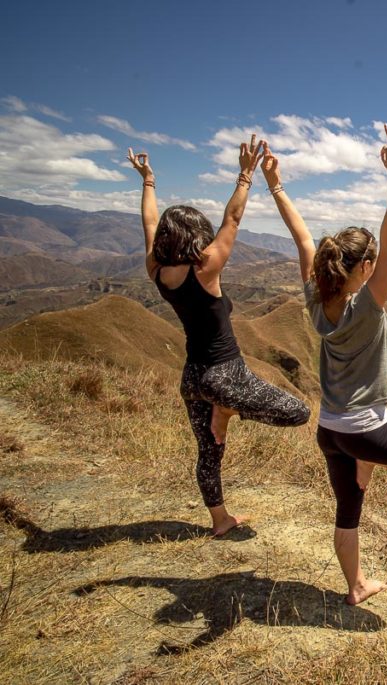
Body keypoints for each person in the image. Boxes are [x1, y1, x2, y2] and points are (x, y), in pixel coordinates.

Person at [261, 123, 387, 605]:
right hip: (362, 429)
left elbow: (301, 237)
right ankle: (377, 457)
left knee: (348, 509)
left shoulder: (317, 296)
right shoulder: (367, 307)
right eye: (371, 262)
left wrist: (276, 185)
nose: (378, 264)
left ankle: (355, 587)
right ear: (363, 270)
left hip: (329, 427)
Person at [127, 137, 311, 537]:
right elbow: (233, 220)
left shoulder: (155, 269)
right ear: (197, 236)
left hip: (192, 378)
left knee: (208, 453)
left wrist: (149, 182)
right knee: (298, 413)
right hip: (226, 375)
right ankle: (227, 409)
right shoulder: (205, 269)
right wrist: (246, 175)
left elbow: (148, 224)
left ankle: (220, 520)